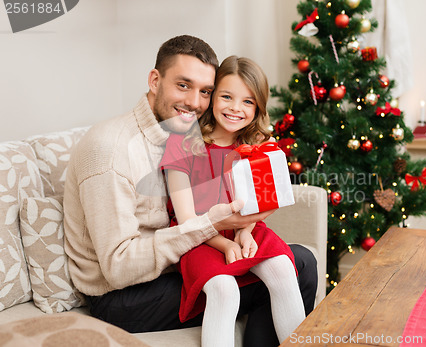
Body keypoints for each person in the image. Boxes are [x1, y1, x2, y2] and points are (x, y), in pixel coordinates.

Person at [63, 35, 318, 347]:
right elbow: (118, 270)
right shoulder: (111, 151)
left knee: (293, 260)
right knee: (298, 265)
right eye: (183, 85)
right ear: (155, 80)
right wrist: (214, 229)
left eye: (205, 92)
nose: (196, 102)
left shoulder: (182, 131)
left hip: (176, 261)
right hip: (123, 296)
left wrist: (240, 228)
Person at [160, 55, 305, 346]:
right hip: (198, 238)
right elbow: (187, 220)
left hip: (242, 227)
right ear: (212, 97)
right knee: (224, 290)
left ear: (258, 106)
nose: (236, 108)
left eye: (248, 102)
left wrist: (244, 232)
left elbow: (260, 204)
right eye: (227, 96)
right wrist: (226, 243)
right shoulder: (183, 142)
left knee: (284, 270)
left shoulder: (255, 147)